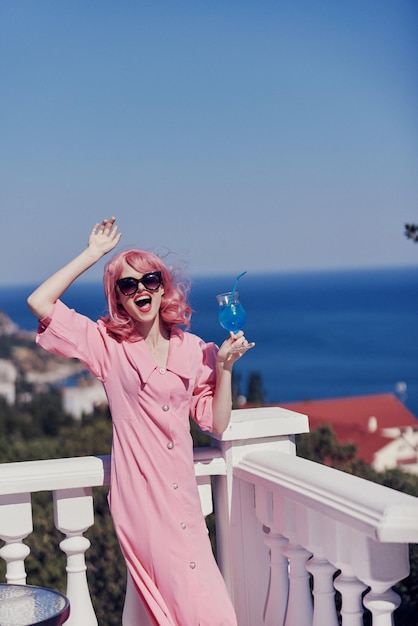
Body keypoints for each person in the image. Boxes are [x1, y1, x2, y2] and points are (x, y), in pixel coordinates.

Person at [27, 217, 254, 626]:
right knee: (197, 609)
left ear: (163, 286)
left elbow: (216, 425)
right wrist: (93, 254)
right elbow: (40, 303)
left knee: (200, 606)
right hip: (142, 503)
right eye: (127, 285)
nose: (141, 290)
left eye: (149, 280)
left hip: (183, 496)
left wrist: (224, 369)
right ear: (119, 299)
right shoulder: (106, 346)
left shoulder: (195, 351)